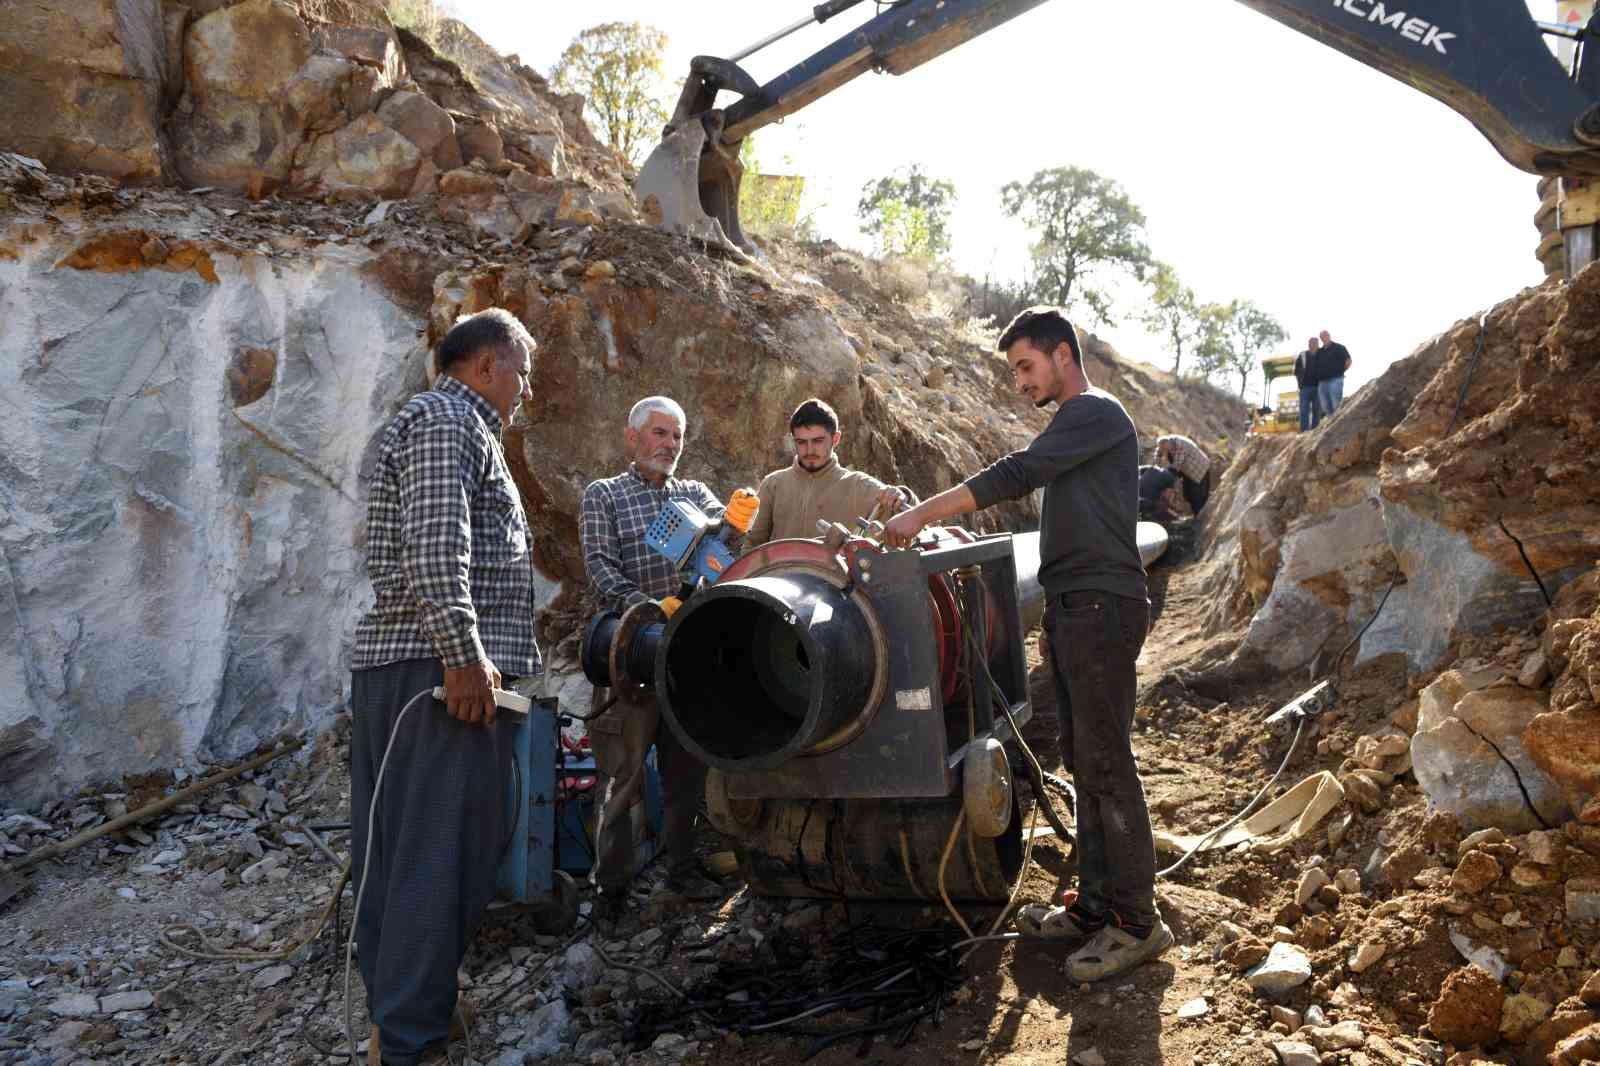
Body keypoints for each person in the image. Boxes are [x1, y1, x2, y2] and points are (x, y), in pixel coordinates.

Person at [882, 306, 1171, 983]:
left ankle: (1136, 921)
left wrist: (923, 512)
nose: (1018, 381)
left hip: (1102, 606)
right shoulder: (1075, 427)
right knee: (1082, 757)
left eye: (1025, 366)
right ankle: (1097, 903)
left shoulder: (1096, 411)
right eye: (1014, 370)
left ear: (1063, 355)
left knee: (1106, 761)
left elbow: (1016, 473)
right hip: (1077, 606)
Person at [349, 308, 540, 1066]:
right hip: (437, 677)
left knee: (399, 852)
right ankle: (409, 1041)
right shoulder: (449, 423)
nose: (524, 391)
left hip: (409, 671)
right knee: (441, 853)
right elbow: (437, 544)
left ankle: (403, 1013)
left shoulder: (437, 423)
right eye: (521, 373)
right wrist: (463, 656)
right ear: (487, 366)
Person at [579, 396, 757, 918]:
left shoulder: (696, 496)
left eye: (677, 436)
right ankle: (610, 891)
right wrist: (650, 612)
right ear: (632, 437)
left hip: (687, 660)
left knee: (686, 772)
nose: (670, 445)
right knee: (623, 775)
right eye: (659, 433)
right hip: (630, 657)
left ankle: (680, 873)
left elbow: (722, 562)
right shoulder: (604, 496)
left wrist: (734, 528)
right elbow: (598, 567)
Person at [745, 397, 908, 547]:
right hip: (776, 577)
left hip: (831, 577)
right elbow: (751, 544)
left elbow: (909, 515)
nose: (809, 450)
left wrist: (901, 495)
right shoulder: (773, 484)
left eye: (817, 441)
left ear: (835, 439)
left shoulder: (857, 485)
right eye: (801, 442)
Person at [1154, 433, 1212, 517]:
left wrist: (1167, 483)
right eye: (1162, 449)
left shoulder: (1180, 446)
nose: (1164, 451)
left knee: (1198, 496)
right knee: (1187, 493)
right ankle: (1194, 514)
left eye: (1165, 449)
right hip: (1187, 470)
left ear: (1168, 444)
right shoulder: (1165, 444)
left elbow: (1175, 468)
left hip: (1199, 469)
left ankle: (1200, 517)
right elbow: (1157, 457)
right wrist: (1158, 459)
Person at [1316, 329, 1352, 416]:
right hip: (1322, 382)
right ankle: (1331, 426)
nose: (1324, 338)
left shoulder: (1339, 347)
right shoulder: (1319, 352)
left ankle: (1340, 424)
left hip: (1335, 380)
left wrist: (1340, 372)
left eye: (1325, 335)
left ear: (1329, 336)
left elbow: (1348, 361)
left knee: (1336, 405)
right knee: (1325, 407)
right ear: (1321, 338)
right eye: (1322, 336)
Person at [1294, 336, 1322, 431]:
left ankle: (1315, 430)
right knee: (1304, 410)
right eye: (1312, 343)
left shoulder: (1322, 355)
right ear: (1309, 344)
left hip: (1318, 387)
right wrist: (1300, 383)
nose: (1314, 345)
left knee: (1316, 410)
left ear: (1318, 344)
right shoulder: (1302, 355)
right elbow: (1296, 370)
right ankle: (1304, 431)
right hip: (1305, 387)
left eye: (1316, 343)